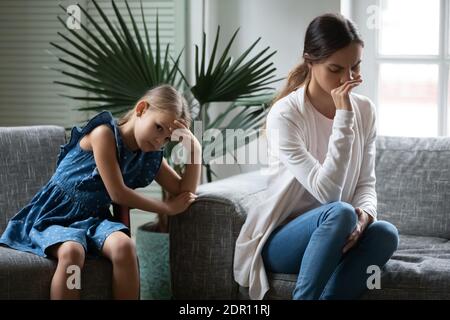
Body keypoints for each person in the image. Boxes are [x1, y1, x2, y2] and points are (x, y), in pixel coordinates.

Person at [233, 13, 399, 300]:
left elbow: (365, 183)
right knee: (340, 211)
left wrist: (364, 218)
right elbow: (329, 193)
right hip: (282, 241)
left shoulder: (366, 110)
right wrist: (343, 116)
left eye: (355, 66)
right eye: (335, 69)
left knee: (385, 232)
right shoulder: (286, 115)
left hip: (340, 230)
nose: (347, 78)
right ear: (310, 62)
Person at [0, 84, 202, 300]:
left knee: (125, 246)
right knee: (72, 251)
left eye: (166, 140)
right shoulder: (103, 134)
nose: (159, 140)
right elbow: (118, 193)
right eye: (158, 128)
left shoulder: (150, 155)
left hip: (93, 219)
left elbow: (184, 192)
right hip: (54, 215)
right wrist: (165, 207)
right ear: (141, 109)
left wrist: (195, 150)